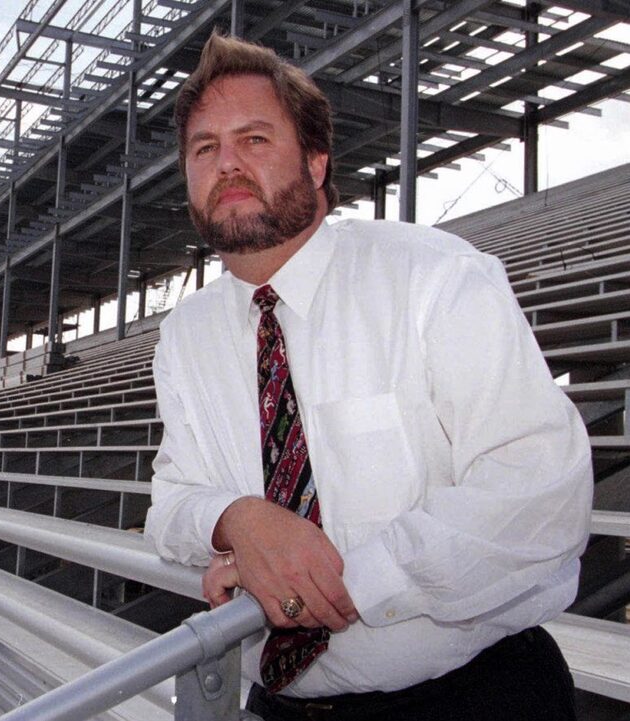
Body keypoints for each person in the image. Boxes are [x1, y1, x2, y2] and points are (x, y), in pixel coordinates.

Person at [144, 31, 593, 721]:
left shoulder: (436, 276)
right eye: (205, 148)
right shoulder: (185, 334)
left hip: (472, 698)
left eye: (255, 139)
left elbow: (537, 488)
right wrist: (237, 519)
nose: (226, 162)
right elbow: (171, 500)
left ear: (317, 162)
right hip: (284, 705)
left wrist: (329, 580)